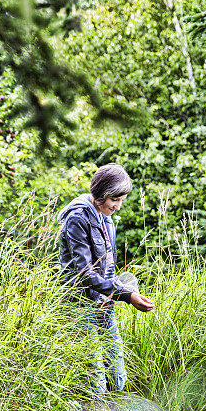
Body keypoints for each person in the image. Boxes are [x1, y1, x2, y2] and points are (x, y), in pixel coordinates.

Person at [58, 163, 154, 394]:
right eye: (115, 199)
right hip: (80, 305)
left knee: (117, 373)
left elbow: (107, 264)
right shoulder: (77, 219)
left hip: (105, 303)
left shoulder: (106, 217)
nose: (118, 206)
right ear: (101, 193)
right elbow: (85, 273)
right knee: (96, 379)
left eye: (121, 200)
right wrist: (126, 295)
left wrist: (113, 294)